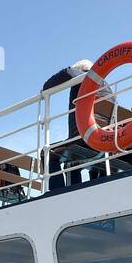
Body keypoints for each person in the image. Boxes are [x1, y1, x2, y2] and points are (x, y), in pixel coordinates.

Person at [42, 59, 97, 193]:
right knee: (72, 158)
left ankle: (58, 192)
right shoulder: (105, 85)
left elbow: (67, 73)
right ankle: (92, 185)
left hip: (85, 138)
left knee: (47, 153)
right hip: (103, 139)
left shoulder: (84, 76)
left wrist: (45, 89)